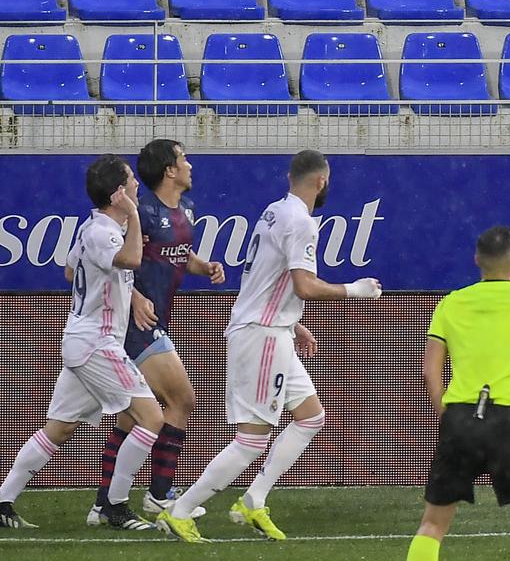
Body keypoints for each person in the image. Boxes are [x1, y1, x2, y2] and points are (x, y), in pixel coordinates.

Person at [157, 150, 382, 543]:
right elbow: (304, 286)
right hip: (262, 335)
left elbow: (266, 279)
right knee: (252, 439)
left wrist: (294, 323)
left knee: (310, 416)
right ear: (321, 181)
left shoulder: (275, 211)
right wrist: (354, 290)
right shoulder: (301, 222)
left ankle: (254, 499)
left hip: (272, 329)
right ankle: (179, 510)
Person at [0, 155, 162, 531]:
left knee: (59, 428)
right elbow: (131, 259)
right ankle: (114, 506)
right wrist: (133, 217)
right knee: (152, 417)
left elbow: (71, 270)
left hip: (83, 341)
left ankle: (3, 499)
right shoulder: (105, 231)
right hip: (97, 344)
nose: (137, 185)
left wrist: (130, 294)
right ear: (119, 193)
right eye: (131, 181)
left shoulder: (94, 228)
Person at [409, 226, 510, 561]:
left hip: (459, 418)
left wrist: (448, 416)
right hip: (507, 422)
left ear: (477, 260)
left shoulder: (451, 303)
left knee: (432, 526)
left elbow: (428, 372)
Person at [88, 140, 223, 526]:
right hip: (138, 326)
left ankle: (103, 504)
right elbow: (112, 262)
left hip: (156, 320)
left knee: (132, 418)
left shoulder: (187, 209)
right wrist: (134, 298)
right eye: (183, 159)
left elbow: (178, 255)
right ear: (169, 170)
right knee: (182, 399)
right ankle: (159, 494)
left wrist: (204, 267)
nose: (190, 165)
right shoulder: (142, 212)